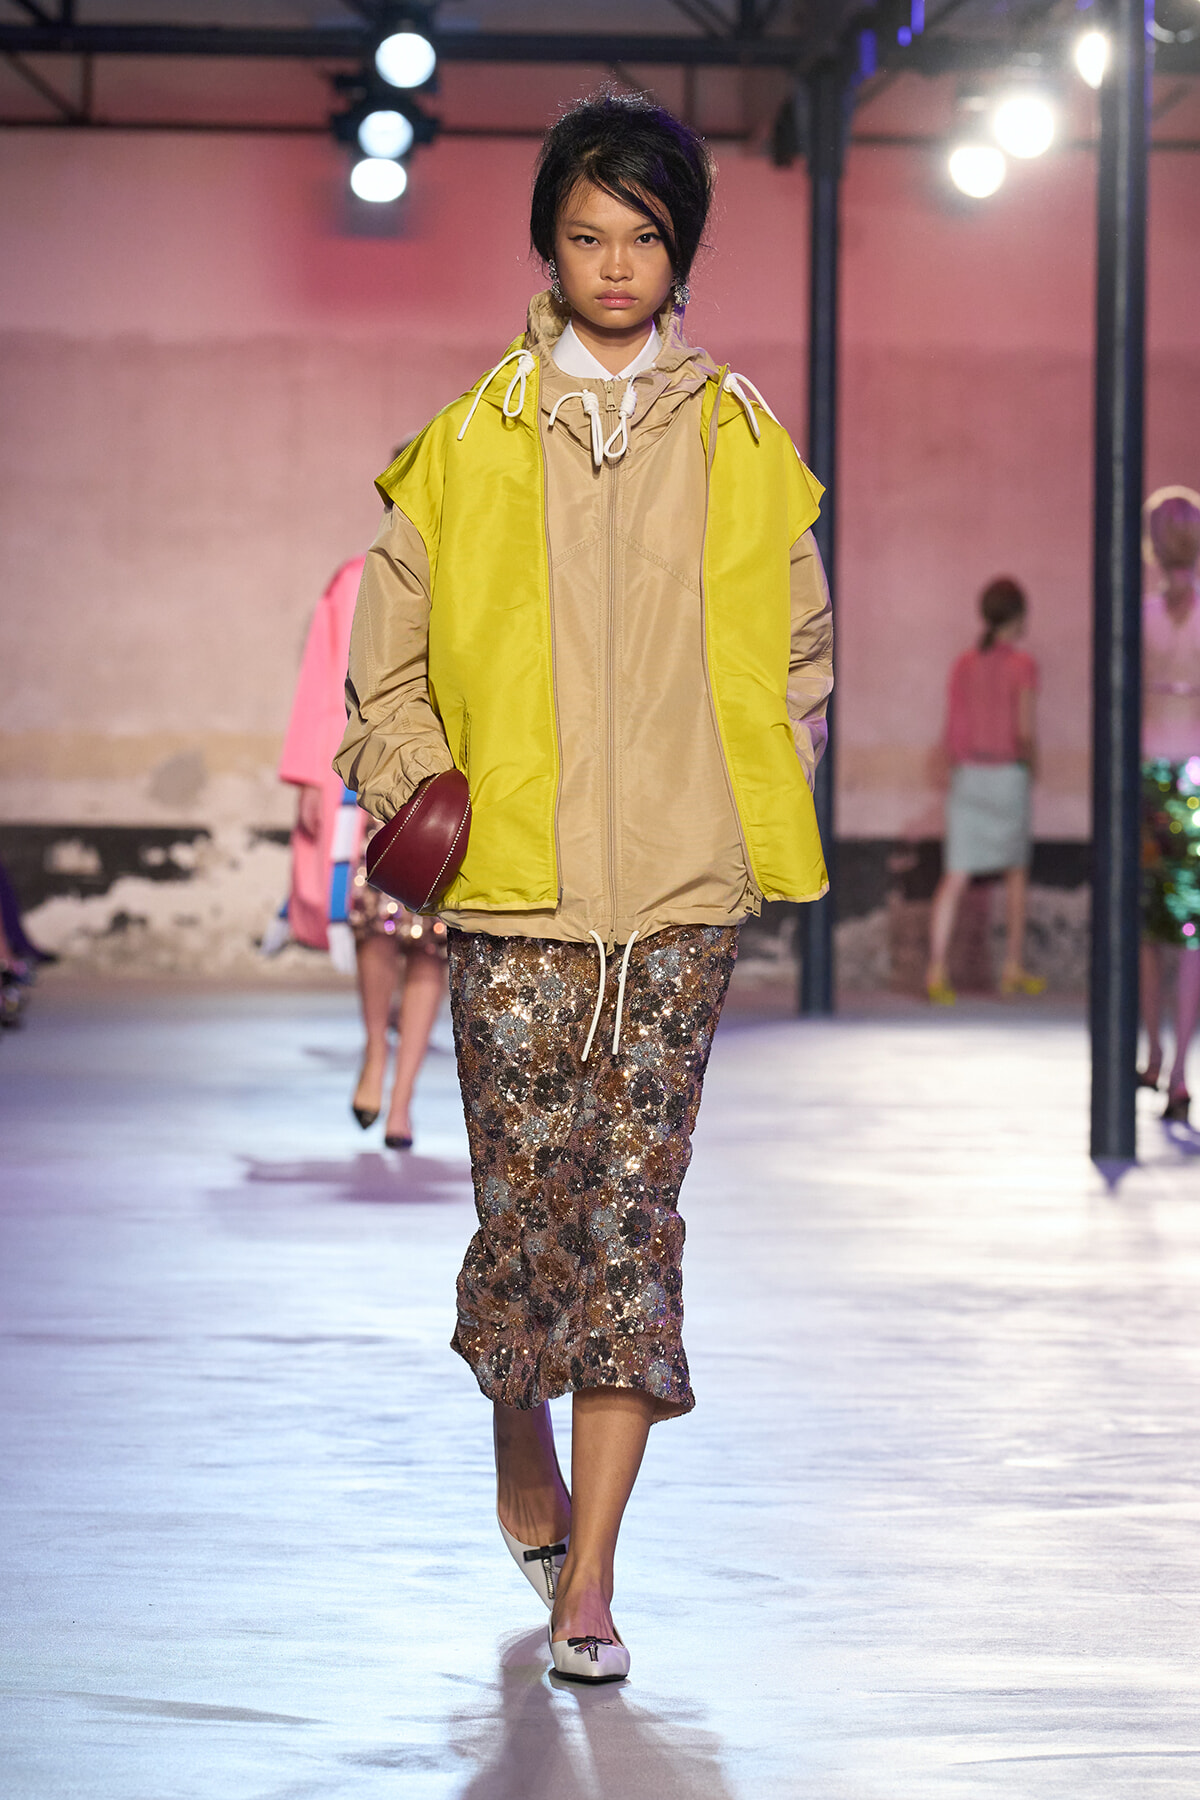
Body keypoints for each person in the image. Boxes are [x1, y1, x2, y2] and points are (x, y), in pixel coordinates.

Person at [334, 93, 832, 1682]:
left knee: (633, 1230)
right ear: (549, 246)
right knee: (523, 1217)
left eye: (646, 237)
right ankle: (514, 1438)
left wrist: (733, 773)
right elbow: (383, 678)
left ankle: (596, 1580)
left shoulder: (743, 440)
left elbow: (803, 649)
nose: (617, 265)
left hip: (681, 904)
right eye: (588, 235)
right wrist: (435, 798)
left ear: (681, 253)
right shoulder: (468, 442)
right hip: (518, 904)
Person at [278, 552, 447, 1148]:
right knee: (376, 926)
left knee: (434, 943)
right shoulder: (357, 579)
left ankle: (402, 1101)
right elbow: (323, 685)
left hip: (453, 779)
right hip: (371, 779)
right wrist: (307, 777)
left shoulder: (480, 568)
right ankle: (377, 1048)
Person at [926, 577, 1045, 1004]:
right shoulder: (1023, 665)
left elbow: (952, 726)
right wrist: (1034, 766)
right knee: (1015, 873)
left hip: (968, 777)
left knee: (954, 875)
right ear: (1017, 616)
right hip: (1007, 775)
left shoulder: (964, 664)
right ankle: (1012, 967)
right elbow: (1026, 729)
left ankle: (936, 971)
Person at [1138, 487, 1200, 1125]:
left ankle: (1152, 1052)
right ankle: (1181, 1067)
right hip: (1197, 781)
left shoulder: (1144, 616)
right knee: (1191, 934)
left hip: (1148, 776)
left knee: (1146, 929)